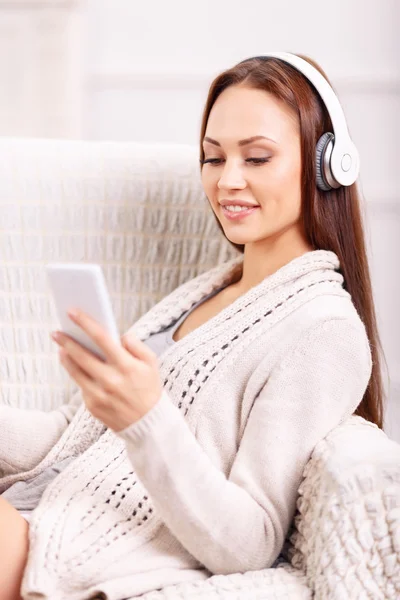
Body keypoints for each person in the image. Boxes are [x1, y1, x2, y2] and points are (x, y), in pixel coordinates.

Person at [0, 53, 384, 600]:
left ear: (328, 165)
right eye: (213, 157)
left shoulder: (323, 332)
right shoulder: (208, 292)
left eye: (256, 157)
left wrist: (146, 419)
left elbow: (252, 540)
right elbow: (69, 437)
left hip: (65, 548)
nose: (228, 181)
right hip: (36, 505)